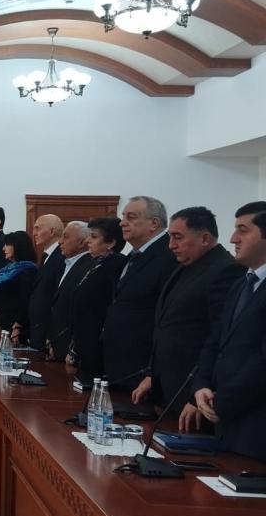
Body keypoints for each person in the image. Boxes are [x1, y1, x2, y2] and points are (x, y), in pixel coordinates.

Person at [132, 206, 245, 429]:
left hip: (194, 398)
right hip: (168, 388)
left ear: (204, 238)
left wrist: (197, 394)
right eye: (170, 237)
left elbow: (219, 339)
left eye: (178, 237)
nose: (171, 245)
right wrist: (153, 374)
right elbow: (167, 325)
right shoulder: (186, 265)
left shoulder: (225, 270)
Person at [192, 206, 266, 461]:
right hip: (226, 422)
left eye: (243, 230)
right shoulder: (241, 284)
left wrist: (221, 401)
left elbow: (262, 362)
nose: (233, 239)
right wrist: (201, 385)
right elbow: (216, 342)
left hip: (255, 423)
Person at [102, 196, 177, 391]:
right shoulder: (133, 255)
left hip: (142, 368)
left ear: (154, 223)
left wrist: (152, 370)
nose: (122, 223)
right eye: (123, 216)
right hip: (119, 362)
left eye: (131, 217)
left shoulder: (169, 257)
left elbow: (165, 316)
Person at [67, 217, 127, 378]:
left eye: (93, 237)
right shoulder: (94, 263)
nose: (88, 241)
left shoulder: (116, 265)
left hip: (98, 344)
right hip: (82, 341)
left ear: (111, 242)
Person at [45, 221, 92, 362]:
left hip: (71, 347)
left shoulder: (88, 266)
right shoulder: (65, 263)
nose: (60, 241)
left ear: (82, 242)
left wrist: (72, 349)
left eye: (66, 237)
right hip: (57, 342)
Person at [17, 214, 64, 349]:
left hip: (47, 329)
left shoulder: (61, 257)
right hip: (36, 327)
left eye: (38, 228)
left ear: (52, 231)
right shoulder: (46, 256)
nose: (34, 233)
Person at [0, 230, 38, 336]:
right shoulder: (10, 268)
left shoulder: (28, 270)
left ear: (18, 246)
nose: (3, 249)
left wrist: (18, 325)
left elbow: (25, 301)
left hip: (16, 327)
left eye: (7, 245)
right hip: (5, 323)